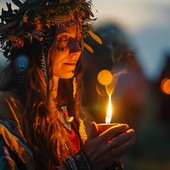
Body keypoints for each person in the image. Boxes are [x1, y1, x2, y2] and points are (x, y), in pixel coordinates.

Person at [0, 0, 136, 169]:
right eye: (64, 39)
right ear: (36, 45)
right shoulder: (7, 110)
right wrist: (83, 162)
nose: (77, 49)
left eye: (78, 39)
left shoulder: (77, 117)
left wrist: (107, 158)